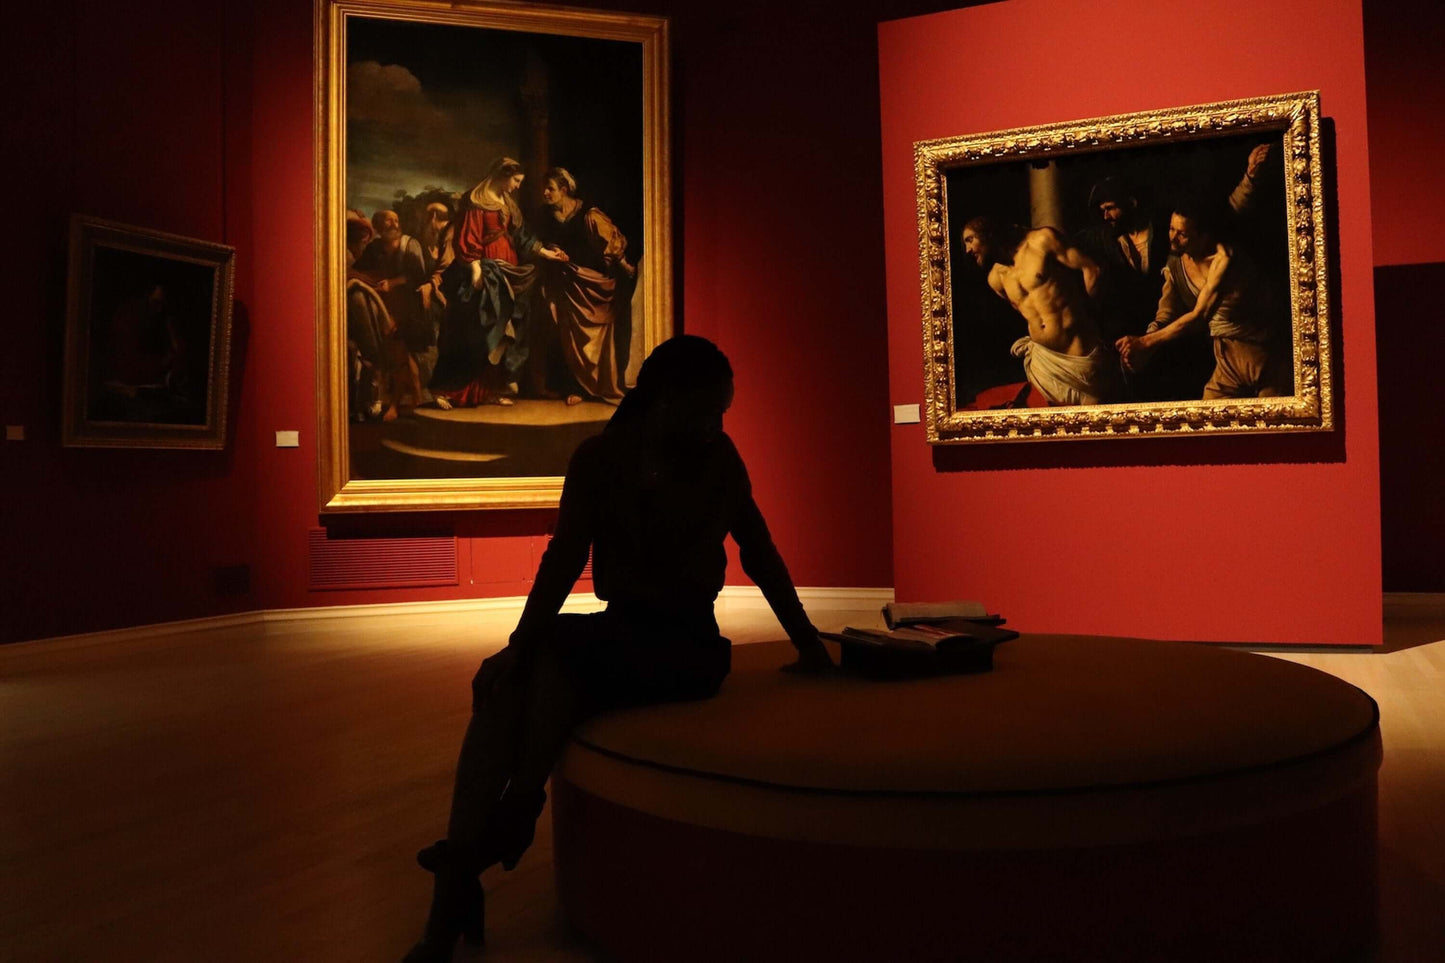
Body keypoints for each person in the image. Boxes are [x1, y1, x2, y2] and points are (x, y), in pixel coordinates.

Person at [402, 335, 833, 962]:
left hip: (689, 647)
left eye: (723, 412)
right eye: (707, 409)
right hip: (624, 632)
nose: (716, 424)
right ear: (664, 401)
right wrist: (515, 647)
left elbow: (760, 553)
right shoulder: (601, 460)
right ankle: (476, 857)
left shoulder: (717, 459)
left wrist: (808, 643)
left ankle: (466, 873)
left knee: (553, 656)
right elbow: (564, 558)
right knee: (514, 678)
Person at [1115, 198, 1289, 399]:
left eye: (1182, 234)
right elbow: (1167, 313)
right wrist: (1146, 344)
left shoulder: (1225, 260)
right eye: (1171, 229)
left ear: (1203, 236)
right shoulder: (1176, 264)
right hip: (1226, 360)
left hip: (1264, 357)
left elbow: (1200, 316)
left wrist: (1146, 343)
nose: (1173, 238)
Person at [428, 157, 566, 408]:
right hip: (485, 270)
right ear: (503, 176)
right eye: (515, 181)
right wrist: (476, 269)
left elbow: (521, 236)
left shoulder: (507, 202)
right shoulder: (476, 201)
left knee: (505, 327)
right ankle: (450, 390)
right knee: (481, 329)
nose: (517, 186)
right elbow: (468, 239)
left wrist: (545, 253)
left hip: (508, 271)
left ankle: (491, 389)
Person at [530, 167, 637, 405]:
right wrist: (552, 250)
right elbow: (539, 243)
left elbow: (611, 244)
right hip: (566, 284)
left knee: (597, 338)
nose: (545, 193)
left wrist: (625, 266)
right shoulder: (545, 216)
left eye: (550, 189)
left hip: (593, 283)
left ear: (564, 190)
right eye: (544, 189)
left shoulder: (589, 214)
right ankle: (575, 386)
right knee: (569, 337)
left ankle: (598, 386)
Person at [982, 224, 1121, 406]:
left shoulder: (1041, 240)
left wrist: (1087, 313)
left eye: (970, 240)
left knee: (1093, 427)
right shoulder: (995, 278)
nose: (968, 250)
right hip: (1043, 363)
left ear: (988, 235)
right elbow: (1026, 311)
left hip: (1079, 357)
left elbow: (1091, 269)